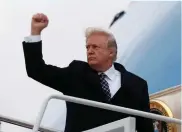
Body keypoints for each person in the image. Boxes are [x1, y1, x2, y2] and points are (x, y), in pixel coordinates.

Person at [22, 13, 154, 132]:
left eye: (95, 47)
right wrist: (35, 32)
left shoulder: (137, 85)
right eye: (87, 47)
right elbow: (37, 70)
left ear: (111, 52)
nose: (89, 51)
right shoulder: (75, 74)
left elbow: (145, 127)